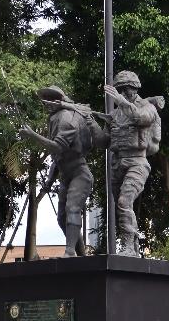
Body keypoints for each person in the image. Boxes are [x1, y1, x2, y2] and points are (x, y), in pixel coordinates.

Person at [17, 86, 105, 256]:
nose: (46, 104)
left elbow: (57, 147)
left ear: (61, 101)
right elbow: (58, 158)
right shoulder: (54, 119)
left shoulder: (66, 118)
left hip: (80, 173)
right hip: (65, 175)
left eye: (51, 100)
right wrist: (50, 180)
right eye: (45, 100)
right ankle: (80, 254)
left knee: (72, 209)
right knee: (62, 218)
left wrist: (32, 135)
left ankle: (70, 251)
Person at [98, 71, 163, 257]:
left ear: (135, 89)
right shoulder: (115, 114)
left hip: (137, 162)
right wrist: (90, 122)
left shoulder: (147, 107)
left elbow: (141, 118)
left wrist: (122, 102)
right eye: (121, 90)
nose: (124, 93)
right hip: (117, 163)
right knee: (122, 206)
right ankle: (132, 247)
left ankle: (128, 246)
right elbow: (103, 141)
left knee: (124, 201)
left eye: (127, 89)